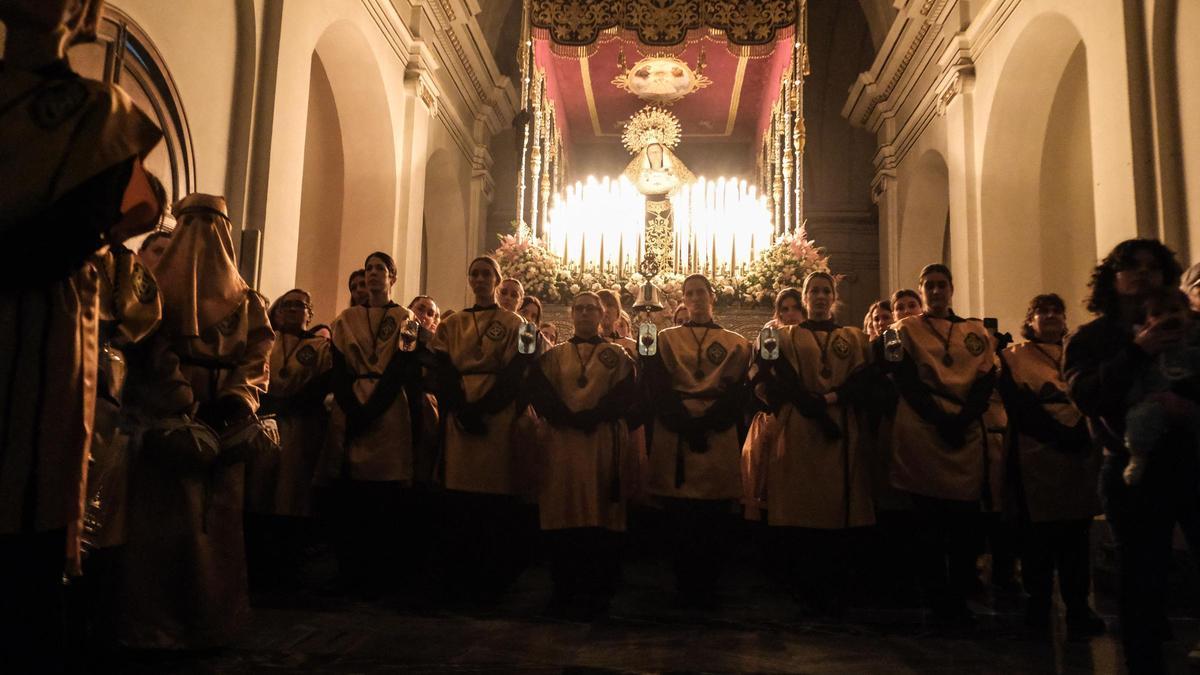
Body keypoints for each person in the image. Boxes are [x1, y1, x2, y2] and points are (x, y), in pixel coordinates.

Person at [0, 0, 164, 667]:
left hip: (35, 327)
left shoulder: (105, 114)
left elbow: (67, 237)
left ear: (85, 12)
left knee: (22, 518)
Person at [115, 193, 272, 648]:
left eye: (212, 224)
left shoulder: (248, 301)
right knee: (163, 523)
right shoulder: (155, 291)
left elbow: (260, 351)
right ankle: (155, 624)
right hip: (169, 415)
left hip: (224, 414)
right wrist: (182, 399)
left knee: (215, 521)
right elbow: (151, 346)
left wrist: (237, 399)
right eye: (193, 223)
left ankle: (212, 620)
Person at [1065, 239, 1193, 674]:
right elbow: (1086, 395)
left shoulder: (1189, 325)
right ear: (1112, 278)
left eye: (1152, 266)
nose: (1143, 274)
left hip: (1193, 461)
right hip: (1132, 471)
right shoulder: (1092, 338)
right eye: (1130, 266)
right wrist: (1139, 350)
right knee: (1142, 583)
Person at [757, 274, 875, 616]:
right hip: (801, 429)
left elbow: (861, 378)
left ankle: (834, 583)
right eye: (814, 291)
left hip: (841, 425)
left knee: (838, 501)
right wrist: (809, 403)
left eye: (826, 291)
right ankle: (803, 583)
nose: (820, 296)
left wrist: (829, 399)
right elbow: (777, 376)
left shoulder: (852, 337)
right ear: (805, 297)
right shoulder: (786, 335)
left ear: (834, 297)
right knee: (802, 500)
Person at [886, 264, 996, 626]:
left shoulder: (975, 331)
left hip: (963, 431)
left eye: (941, 285)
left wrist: (962, 419)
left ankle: (959, 596)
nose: (936, 291)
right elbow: (904, 379)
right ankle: (936, 600)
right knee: (927, 524)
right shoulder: (902, 330)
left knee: (964, 524)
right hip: (922, 427)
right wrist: (939, 418)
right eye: (929, 286)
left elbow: (984, 379)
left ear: (952, 288)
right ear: (921, 291)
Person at [997, 293, 1105, 639]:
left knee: (1076, 539)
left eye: (1056, 310)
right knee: (1037, 541)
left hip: (1079, 458)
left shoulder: (1079, 351)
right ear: (1030, 320)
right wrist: (1061, 434)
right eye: (1041, 311)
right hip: (1036, 456)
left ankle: (1077, 607)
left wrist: (1081, 432)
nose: (1050, 316)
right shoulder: (1013, 357)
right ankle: (1039, 605)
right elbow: (1019, 406)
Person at [320, 253, 429, 596]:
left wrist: (374, 407)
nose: (372, 275)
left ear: (392, 277)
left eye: (380, 269)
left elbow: (404, 365)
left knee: (387, 488)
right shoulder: (345, 319)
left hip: (389, 404)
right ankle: (351, 568)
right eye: (368, 269)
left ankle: (385, 570)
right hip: (352, 401)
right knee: (352, 491)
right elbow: (338, 367)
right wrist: (353, 407)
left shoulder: (406, 317)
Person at [525, 292, 638, 617]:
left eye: (592, 309)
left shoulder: (617, 355)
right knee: (563, 509)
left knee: (598, 509)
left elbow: (626, 392)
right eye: (580, 308)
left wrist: (592, 416)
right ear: (571, 313)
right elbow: (540, 391)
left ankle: (598, 589)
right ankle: (564, 588)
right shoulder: (553, 356)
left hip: (600, 441)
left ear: (603, 315)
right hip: (562, 443)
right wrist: (568, 417)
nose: (586, 313)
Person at [641, 274, 751, 606]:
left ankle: (710, 581)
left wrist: (707, 425)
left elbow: (737, 394)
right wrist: (687, 425)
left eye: (701, 292)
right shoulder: (666, 339)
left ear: (712, 296)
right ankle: (683, 580)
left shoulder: (737, 343)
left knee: (714, 512)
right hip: (677, 429)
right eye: (689, 293)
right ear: (683, 300)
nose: (695, 298)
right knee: (679, 512)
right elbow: (657, 387)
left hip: (716, 431)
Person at [429, 256, 533, 599]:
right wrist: (461, 408)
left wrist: (485, 408)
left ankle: (494, 575)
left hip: (496, 412)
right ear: (469, 280)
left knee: (495, 492)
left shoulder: (517, 323)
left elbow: (519, 371)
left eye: (486, 273)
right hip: (461, 411)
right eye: (474, 273)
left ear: (497, 280)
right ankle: (461, 571)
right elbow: (441, 370)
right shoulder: (452, 323)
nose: (480, 278)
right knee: (460, 494)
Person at [244, 289, 332, 590]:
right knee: (259, 490)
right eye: (288, 304)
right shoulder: (263, 340)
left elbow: (322, 384)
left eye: (301, 305)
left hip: (300, 426)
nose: (294, 310)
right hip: (262, 421)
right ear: (277, 310)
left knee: (291, 494)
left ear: (310, 314)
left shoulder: (320, 347)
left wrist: (292, 403)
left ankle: (287, 573)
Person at [1121, 287, 1200, 485]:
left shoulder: (1194, 342)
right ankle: (1138, 454)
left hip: (1191, 411)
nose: (1167, 318)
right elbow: (1135, 379)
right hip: (1154, 402)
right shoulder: (1144, 347)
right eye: (1157, 314)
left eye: (1174, 310)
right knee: (1142, 417)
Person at [742, 287, 804, 520]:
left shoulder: (813, 338)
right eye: (785, 309)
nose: (791, 314)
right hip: (777, 414)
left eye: (796, 308)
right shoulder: (769, 338)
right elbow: (756, 376)